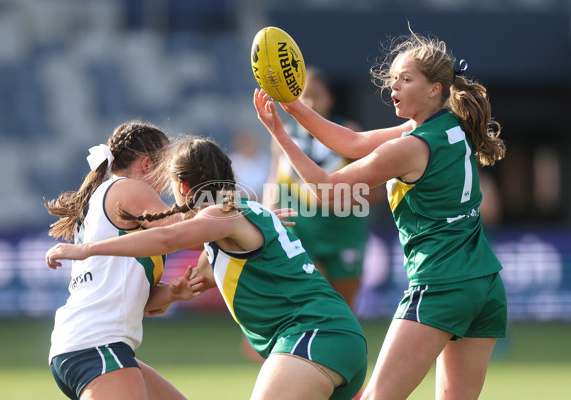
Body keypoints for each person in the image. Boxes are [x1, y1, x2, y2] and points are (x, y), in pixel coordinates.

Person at [253, 26, 507, 400]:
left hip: (441, 284)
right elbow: (352, 142)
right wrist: (293, 107)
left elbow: (325, 188)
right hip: (485, 284)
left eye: (406, 79)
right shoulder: (450, 124)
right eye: (393, 79)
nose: (394, 87)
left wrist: (280, 134)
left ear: (435, 88)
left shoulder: (410, 147)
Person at [46, 136, 368, 400]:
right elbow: (176, 288)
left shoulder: (220, 214)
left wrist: (84, 249)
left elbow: (167, 238)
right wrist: (173, 294)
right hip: (332, 338)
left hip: (311, 335)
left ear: (183, 187)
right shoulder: (237, 220)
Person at [44, 120, 201, 400]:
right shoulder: (130, 188)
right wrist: (247, 218)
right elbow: (188, 233)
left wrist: (171, 293)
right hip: (97, 345)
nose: (170, 177)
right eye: (168, 166)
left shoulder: (102, 195)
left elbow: (140, 303)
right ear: (146, 165)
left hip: (87, 346)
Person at [266, 66, 377, 309]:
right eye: (304, 96)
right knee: (311, 304)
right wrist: (267, 217)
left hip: (343, 230)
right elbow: (274, 180)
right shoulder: (283, 135)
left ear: (331, 99)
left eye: (317, 95)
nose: (311, 103)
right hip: (299, 231)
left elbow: (375, 187)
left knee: (344, 310)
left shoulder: (349, 133)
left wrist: (341, 201)